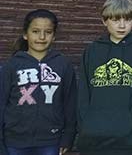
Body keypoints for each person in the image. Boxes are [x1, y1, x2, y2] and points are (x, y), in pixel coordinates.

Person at [77, 0, 132, 155]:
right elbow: (83, 93)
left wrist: (128, 125)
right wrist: (85, 126)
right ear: (104, 21)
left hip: (129, 139)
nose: (122, 25)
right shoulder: (92, 50)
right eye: (116, 19)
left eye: (127, 19)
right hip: (94, 137)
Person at [0, 9, 77, 155]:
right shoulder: (12, 65)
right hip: (15, 142)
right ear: (25, 34)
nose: (41, 37)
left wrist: (68, 136)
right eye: (35, 31)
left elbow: (70, 103)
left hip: (50, 141)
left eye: (48, 32)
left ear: (54, 36)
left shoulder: (63, 65)